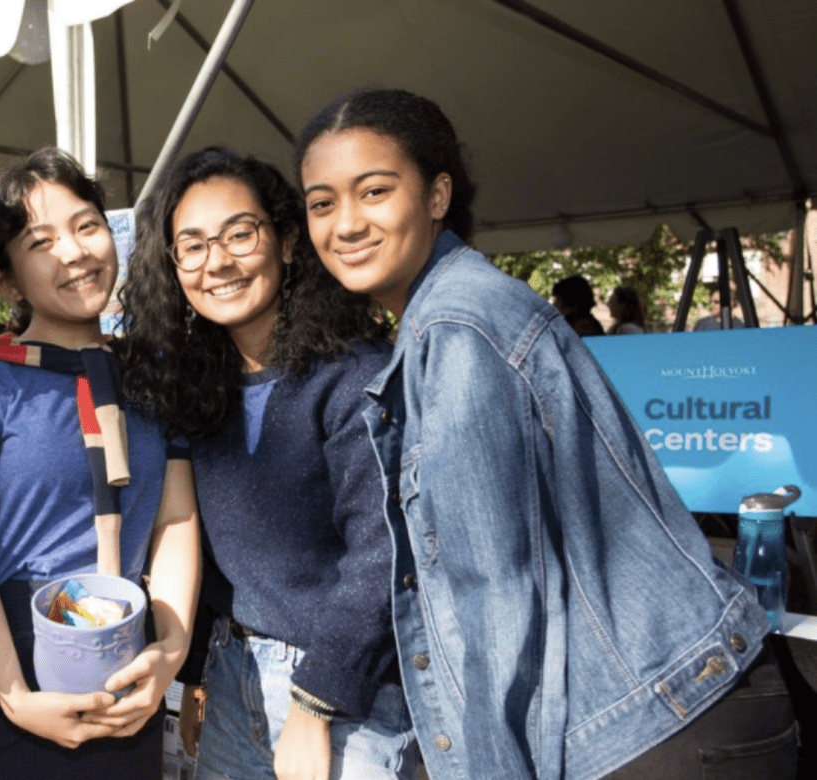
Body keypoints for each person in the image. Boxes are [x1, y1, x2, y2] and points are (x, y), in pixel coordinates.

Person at [296, 88, 796, 780]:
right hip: (670, 707)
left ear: (437, 195)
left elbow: (494, 591)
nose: (345, 223)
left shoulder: (458, 326)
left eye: (374, 191)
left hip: (660, 726)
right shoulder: (450, 312)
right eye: (322, 203)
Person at [120, 146, 416, 780]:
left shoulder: (353, 378)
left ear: (286, 243)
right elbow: (208, 553)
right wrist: (196, 674)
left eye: (239, 234)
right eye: (191, 246)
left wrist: (314, 708)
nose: (217, 262)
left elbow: (384, 555)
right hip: (235, 676)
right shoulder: (202, 387)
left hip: (346, 693)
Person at [0, 147, 201, 780]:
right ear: (10, 281)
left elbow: (174, 522)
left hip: (130, 679)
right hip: (10, 678)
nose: (75, 252)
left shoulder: (153, 376)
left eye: (87, 225)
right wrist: (17, 698)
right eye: (41, 241)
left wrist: (169, 653)